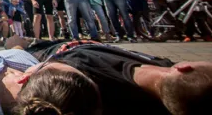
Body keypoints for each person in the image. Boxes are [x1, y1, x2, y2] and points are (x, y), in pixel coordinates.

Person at [26, 39, 212, 115]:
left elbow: (37, 75)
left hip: (44, 52)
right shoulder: (163, 67)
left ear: (184, 67)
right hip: (73, 44)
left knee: (16, 43)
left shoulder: (87, 82)